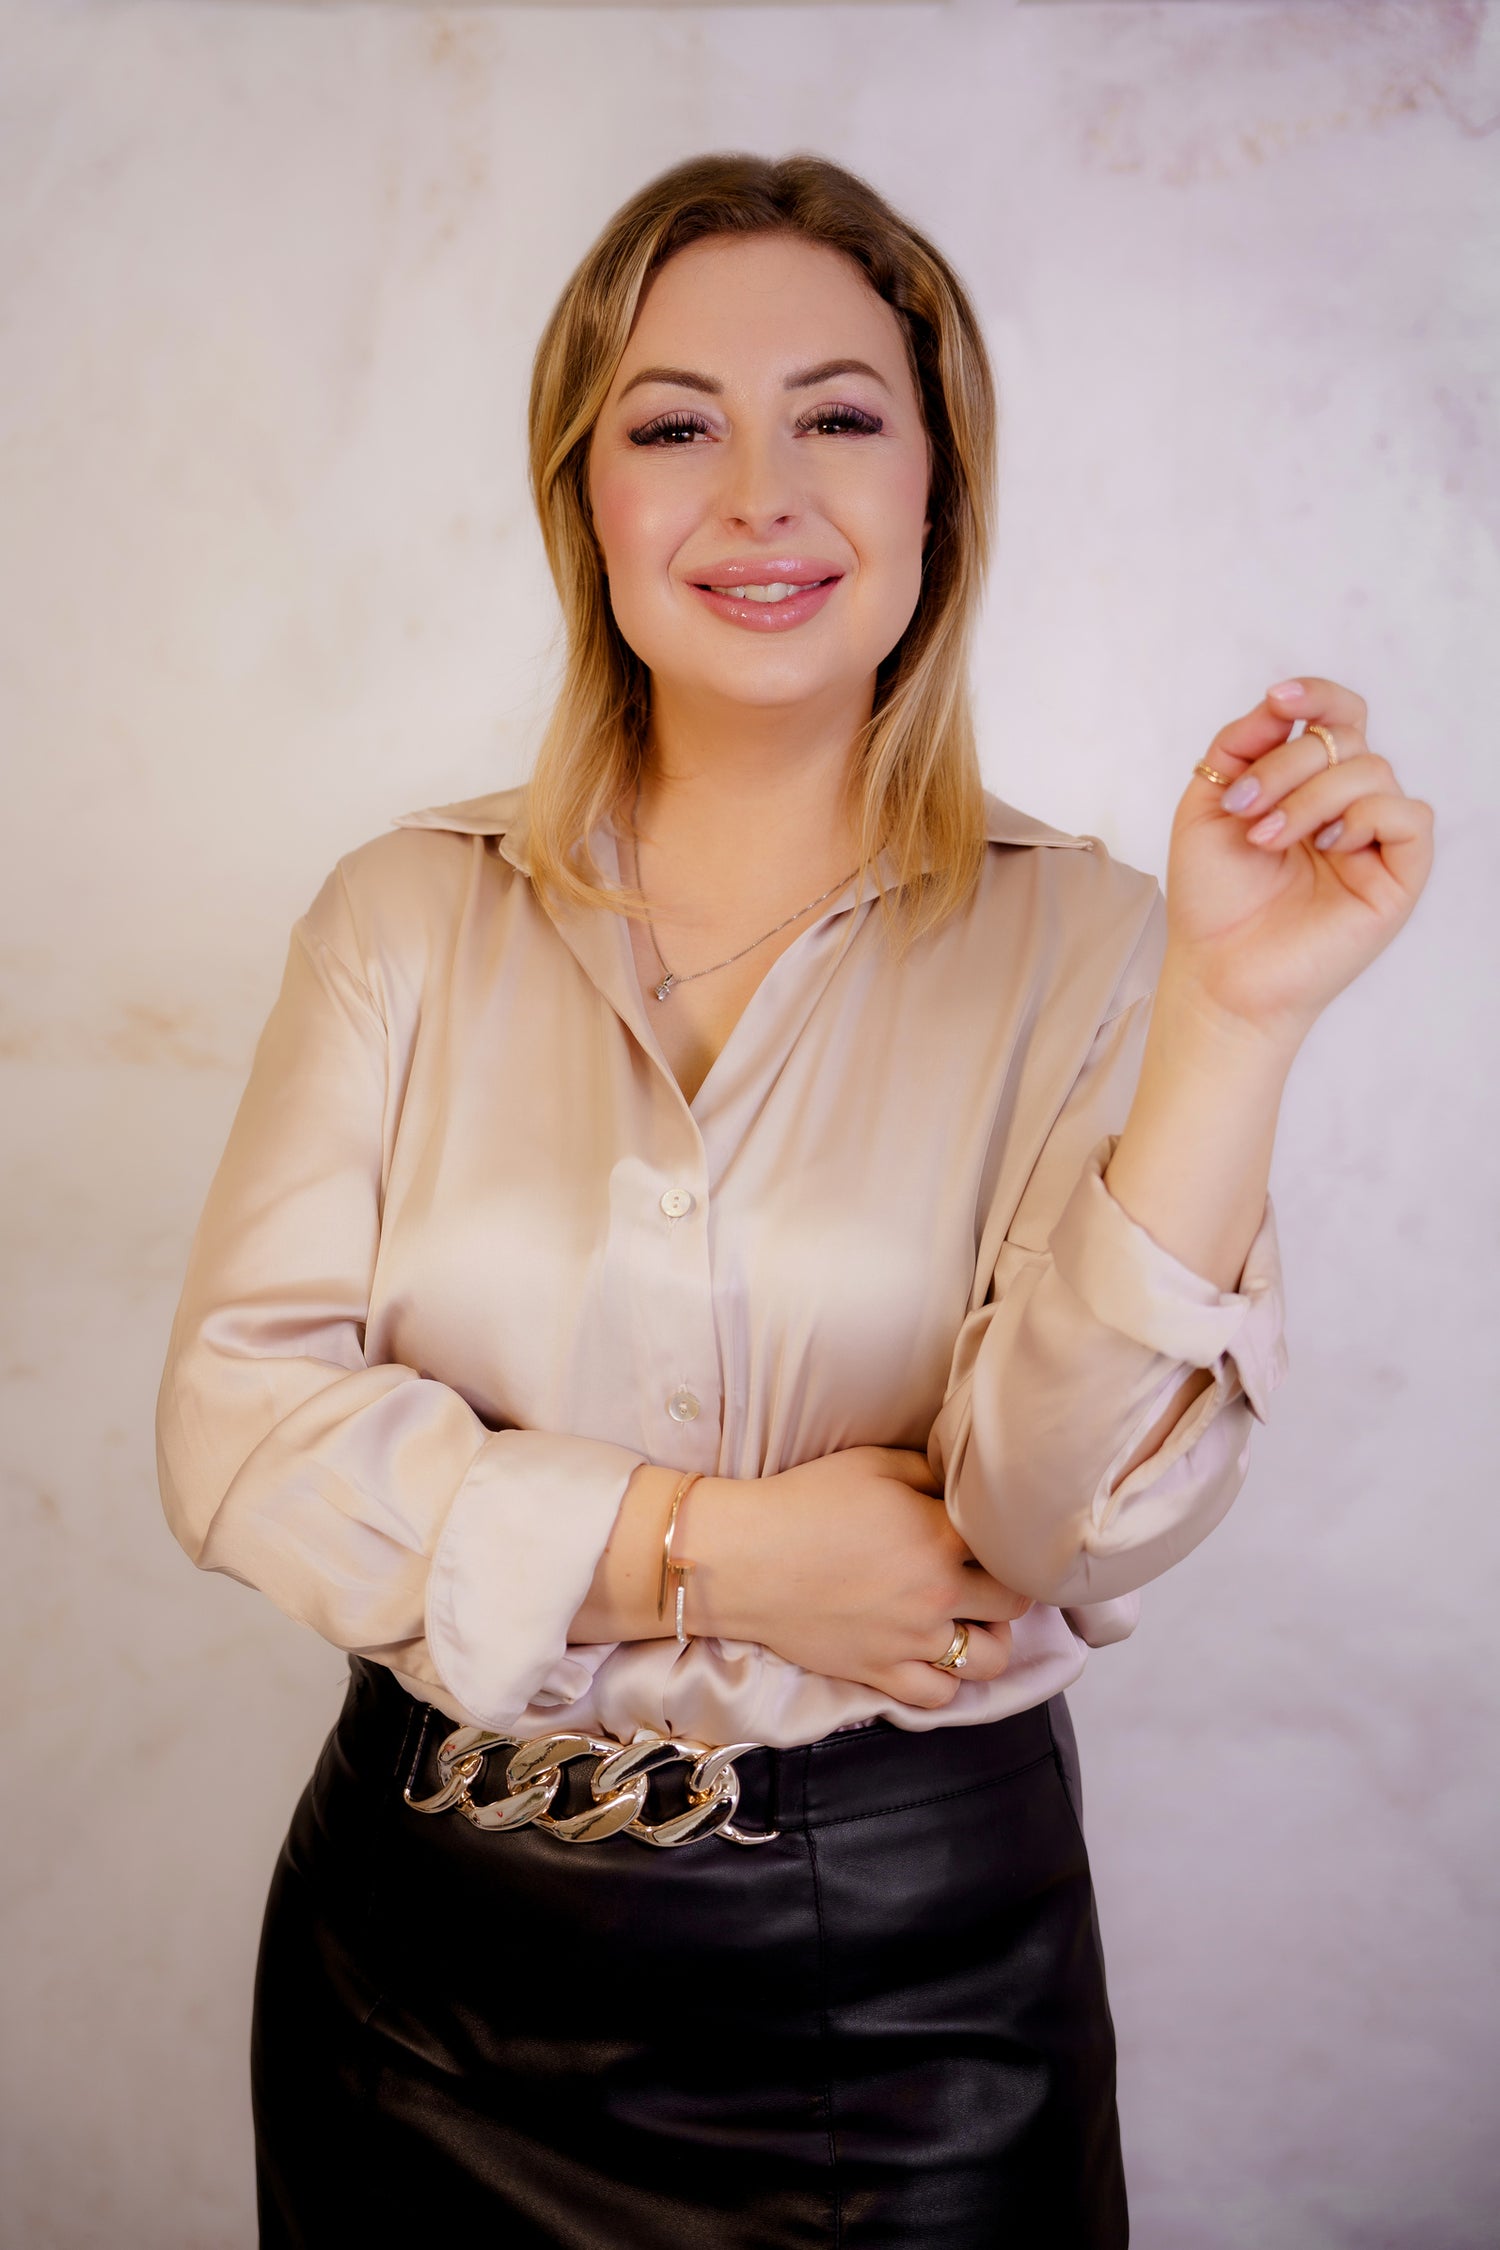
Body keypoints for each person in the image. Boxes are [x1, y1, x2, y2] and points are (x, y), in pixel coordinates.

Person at [154, 151, 1433, 2249]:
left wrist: (1233, 1019)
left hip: (912, 2009)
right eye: (675, 427)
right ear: (587, 501)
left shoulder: (1106, 948)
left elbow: (1055, 1523)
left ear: (939, 491)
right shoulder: (400, 919)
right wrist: (714, 1552)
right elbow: (237, 1430)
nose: (761, 494)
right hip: (412, 1989)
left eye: (838, 416)